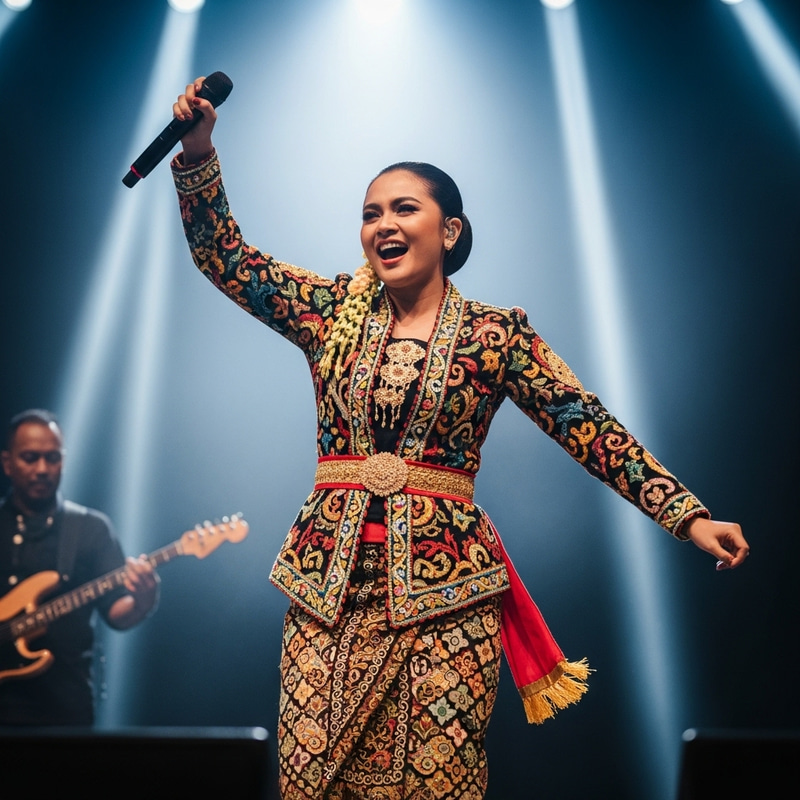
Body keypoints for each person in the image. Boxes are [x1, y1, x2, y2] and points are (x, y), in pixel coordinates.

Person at [169, 77, 749, 800]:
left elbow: (586, 425)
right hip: (327, 595)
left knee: (435, 784)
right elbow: (225, 259)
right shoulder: (329, 310)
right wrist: (199, 152)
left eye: (403, 209)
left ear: (449, 231)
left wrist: (686, 515)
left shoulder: (495, 333)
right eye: (370, 213)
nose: (383, 224)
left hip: (446, 597)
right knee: (311, 782)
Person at [0, 409, 160, 726]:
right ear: (7, 463)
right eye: (30, 458)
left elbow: (117, 613)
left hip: (64, 706)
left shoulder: (90, 528)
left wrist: (144, 600)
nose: (42, 469)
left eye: (52, 458)